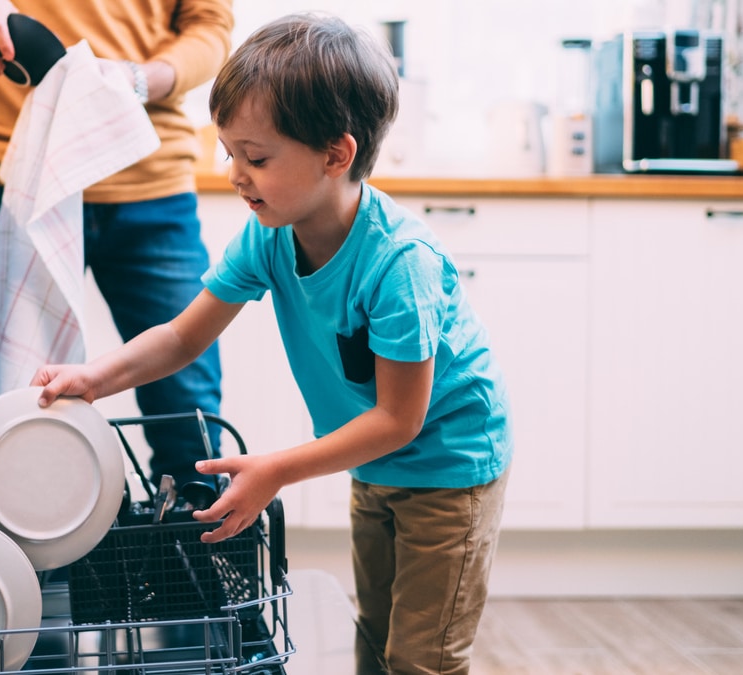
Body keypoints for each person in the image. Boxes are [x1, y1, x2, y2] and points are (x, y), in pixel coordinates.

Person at [33, 12, 513, 675]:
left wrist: (278, 468)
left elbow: (400, 419)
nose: (236, 173)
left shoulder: (401, 264)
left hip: (448, 472)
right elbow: (180, 336)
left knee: (421, 658)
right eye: (229, 152)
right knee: (375, 634)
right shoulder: (271, 234)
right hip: (375, 464)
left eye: (255, 157)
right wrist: (94, 377)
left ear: (335, 154)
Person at [0, 0, 234, 486]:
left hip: (150, 180)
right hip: (25, 177)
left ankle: (191, 549)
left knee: (185, 407)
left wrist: (139, 79)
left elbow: (210, 27)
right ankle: (34, 554)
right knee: (21, 397)